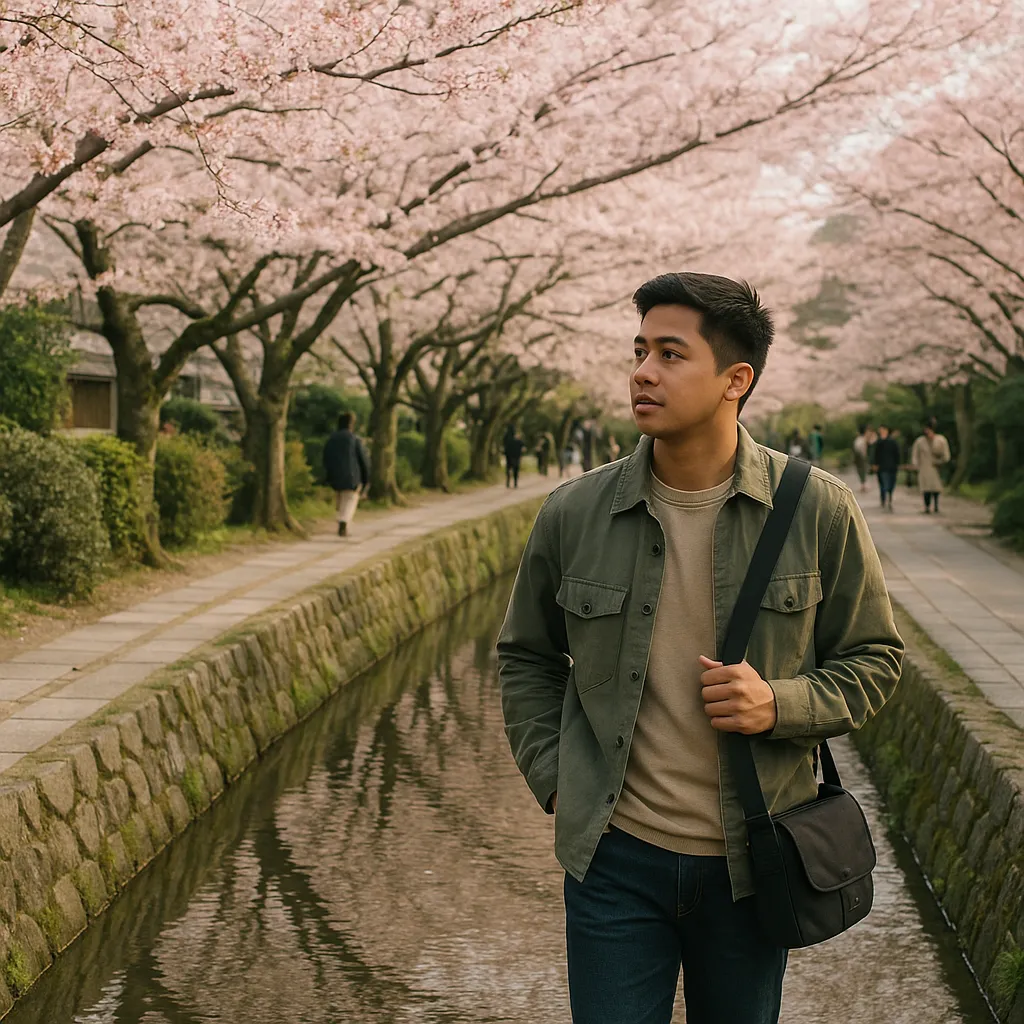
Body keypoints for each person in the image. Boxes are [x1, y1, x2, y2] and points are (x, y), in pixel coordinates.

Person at [498, 272, 903, 1024]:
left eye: (671, 354)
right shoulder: (575, 512)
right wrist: (558, 780)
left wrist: (777, 703)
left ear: (734, 379)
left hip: (754, 859)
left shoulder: (817, 509)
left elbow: (876, 660)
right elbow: (525, 655)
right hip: (613, 858)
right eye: (639, 349)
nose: (643, 372)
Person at [322, 412, 369, 537]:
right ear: (351, 424)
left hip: (335, 476)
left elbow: (326, 457)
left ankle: (341, 520)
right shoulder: (354, 439)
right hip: (352, 476)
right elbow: (362, 460)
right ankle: (343, 523)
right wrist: (366, 478)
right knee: (350, 500)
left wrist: (328, 474)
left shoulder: (331, 439)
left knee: (341, 499)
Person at [911, 422, 952, 514]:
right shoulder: (920, 441)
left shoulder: (940, 440)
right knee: (926, 489)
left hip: (936, 467)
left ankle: (936, 505)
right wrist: (916, 465)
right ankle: (927, 506)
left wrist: (940, 461)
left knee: (936, 488)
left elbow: (946, 455)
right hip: (924, 467)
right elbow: (915, 454)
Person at [872, 425, 901, 512]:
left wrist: (898, 464)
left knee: (890, 484)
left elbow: (897, 454)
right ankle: (885, 499)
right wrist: (875, 464)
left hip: (891, 466)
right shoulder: (879, 442)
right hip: (882, 467)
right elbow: (876, 454)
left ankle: (888, 499)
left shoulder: (892, 442)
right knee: (884, 484)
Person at [852, 424, 870, 493]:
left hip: (859, 457)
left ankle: (863, 484)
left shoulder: (858, 439)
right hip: (861, 458)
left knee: (861, 471)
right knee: (862, 471)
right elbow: (862, 450)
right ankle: (863, 485)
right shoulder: (862, 439)